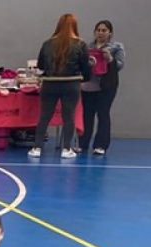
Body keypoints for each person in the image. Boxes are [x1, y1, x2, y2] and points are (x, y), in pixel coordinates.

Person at [31, 13, 90, 159]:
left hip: (50, 83)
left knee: (45, 116)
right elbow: (86, 68)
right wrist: (84, 78)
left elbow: (41, 65)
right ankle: (66, 148)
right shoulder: (81, 44)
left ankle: (37, 147)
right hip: (71, 83)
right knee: (69, 116)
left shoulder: (47, 44)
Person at [80, 20, 125, 156]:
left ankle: (100, 145)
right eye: (98, 30)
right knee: (86, 115)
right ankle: (83, 143)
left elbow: (120, 65)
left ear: (110, 33)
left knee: (103, 114)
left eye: (104, 30)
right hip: (88, 86)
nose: (101, 33)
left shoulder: (117, 47)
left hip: (106, 86)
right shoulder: (88, 47)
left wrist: (110, 59)